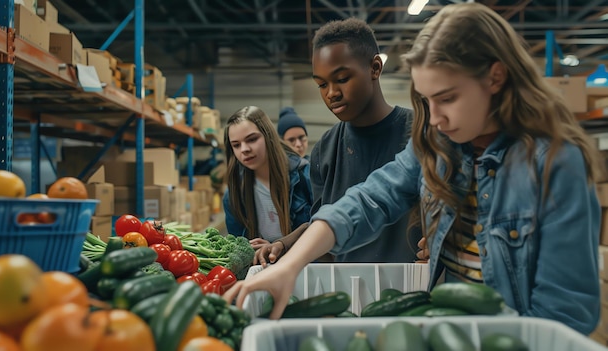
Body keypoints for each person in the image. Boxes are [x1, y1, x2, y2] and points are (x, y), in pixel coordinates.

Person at [225, 3, 603, 335]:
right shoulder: (441, 148)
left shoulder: (555, 166)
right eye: (426, 101)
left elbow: (565, 312)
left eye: (447, 98)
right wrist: (290, 265)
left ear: (495, 77)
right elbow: (367, 200)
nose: (434, 119)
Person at [255, 17, 418, 265]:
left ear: (375, 68)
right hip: (347, 289)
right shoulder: (325, 150)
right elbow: (325, 223)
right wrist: (284, 245)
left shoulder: (419, 134)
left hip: (414, 287)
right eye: (321, 84)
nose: (331, 93)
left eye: (342, 79)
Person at [222, 106, 313, 249]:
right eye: (236, 145)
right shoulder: (234, 195)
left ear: (268, 136)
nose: (244, 149)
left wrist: (279, 246)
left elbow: (323, 231)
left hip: (306, 267)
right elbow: (239, 249)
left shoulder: (305, 177)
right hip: (263, 268)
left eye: (252, 139)